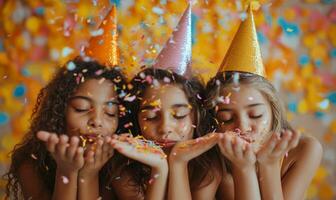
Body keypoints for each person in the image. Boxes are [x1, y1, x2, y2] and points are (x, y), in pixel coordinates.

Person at [205, 5, 323, 200]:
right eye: (226, 118)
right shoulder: (212, 160)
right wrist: (243, 167)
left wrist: (269, 166)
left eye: (255, 115)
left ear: (273, 110)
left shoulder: (304, 149)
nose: (242, 127)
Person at [110, 5, 222, 200]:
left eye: (179, 115)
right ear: (136, 119)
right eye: (151, 117)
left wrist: (178, 164)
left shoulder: (209, 166)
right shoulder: (123, 169)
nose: (165, 128)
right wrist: (159, 168)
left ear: (196, 114)